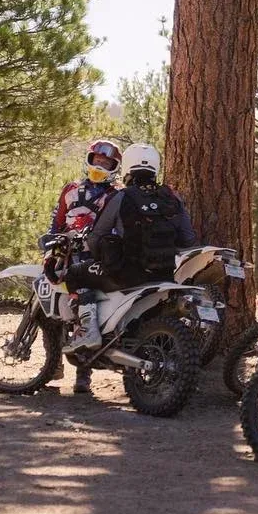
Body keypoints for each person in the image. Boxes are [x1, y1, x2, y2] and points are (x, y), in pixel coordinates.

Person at [64, 144, 198, 354]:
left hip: (127, 274)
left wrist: (102, 258)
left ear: (126, 167)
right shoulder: (172, 197)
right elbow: (188, 239)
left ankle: (89, 330)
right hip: (164, 274)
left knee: (74, 274)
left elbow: (97, 236)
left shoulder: (121, 197)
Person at [47, 139, 122, 393]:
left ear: (114, 167)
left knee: (85, 312)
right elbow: (56, 221)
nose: (100, 165)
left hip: (92, 257)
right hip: (62, 254)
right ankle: (53, 363)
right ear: (89, 160)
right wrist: (49, 244)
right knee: (51, 309)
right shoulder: (70, 189)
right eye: (97, 160)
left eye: (106, 162)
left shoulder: (115, 194)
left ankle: (83, 375)